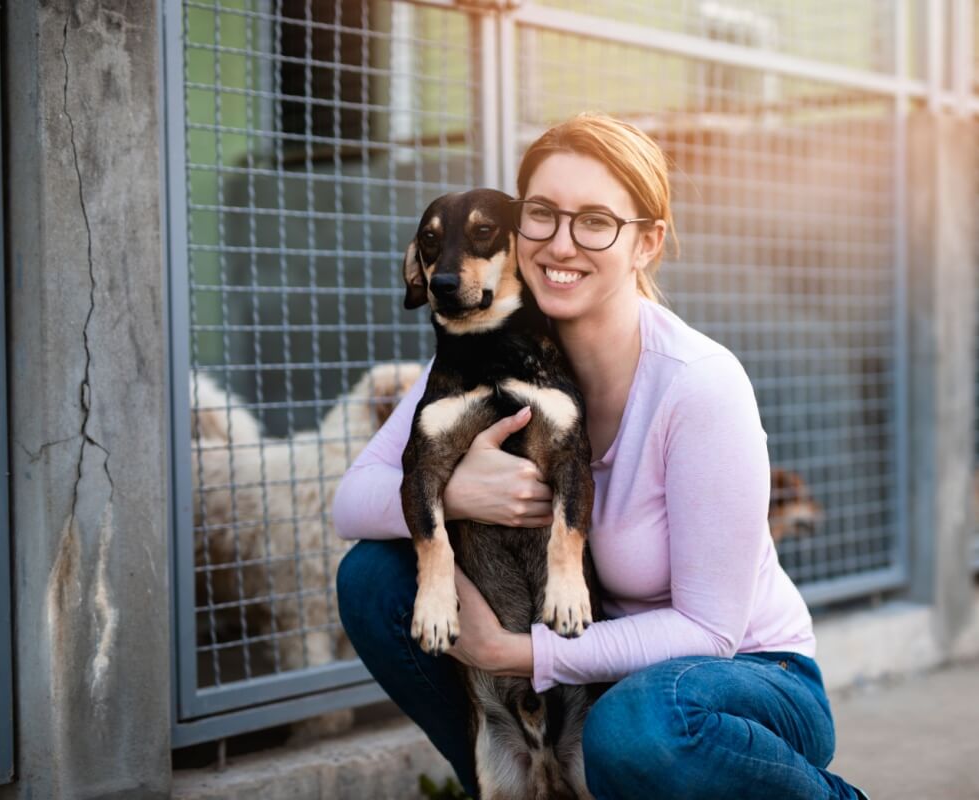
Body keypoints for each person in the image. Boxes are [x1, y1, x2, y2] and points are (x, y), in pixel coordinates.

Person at [333, 112, 866, 800]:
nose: (561, 243)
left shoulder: (698, 384)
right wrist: (459, 491)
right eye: (542, 215)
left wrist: (518, 654)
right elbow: (353, 500)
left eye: (595, 222)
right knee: (374, 578)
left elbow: (709, 631)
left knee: (637, 726)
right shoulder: (487, 348)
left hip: (739, 679)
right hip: (599, 669)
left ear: (647, 242)